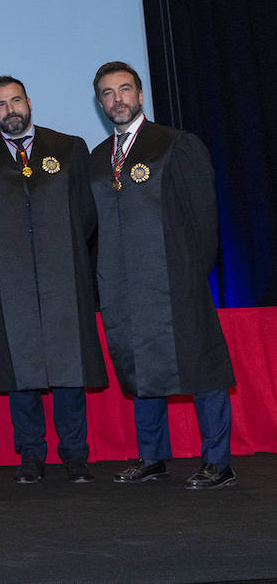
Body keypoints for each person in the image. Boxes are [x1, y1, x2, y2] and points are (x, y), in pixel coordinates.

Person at [90, 61, 237, 489]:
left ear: (140, 95)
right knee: (141, 367)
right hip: (122, 283)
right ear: (99, 102)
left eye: (125, 90)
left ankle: (218, 461)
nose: (117, 99)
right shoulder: (100, 159)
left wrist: (193, 272)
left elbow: (203, 217)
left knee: (201, 367)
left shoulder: (175, 144)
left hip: (175, 280)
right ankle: (152, 456)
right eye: (107, 93)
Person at [0, 77, 106, 483]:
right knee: (19, 369)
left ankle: (75, 453)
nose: (10, 110)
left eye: (15, 101)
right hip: (6, 278)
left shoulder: (69, 147)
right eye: (0, 105)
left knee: (68, 366)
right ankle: (30, 454)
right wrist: (1, 254)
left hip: (63, 274)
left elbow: (86, 211)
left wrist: (58, 248)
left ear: (29, 102)